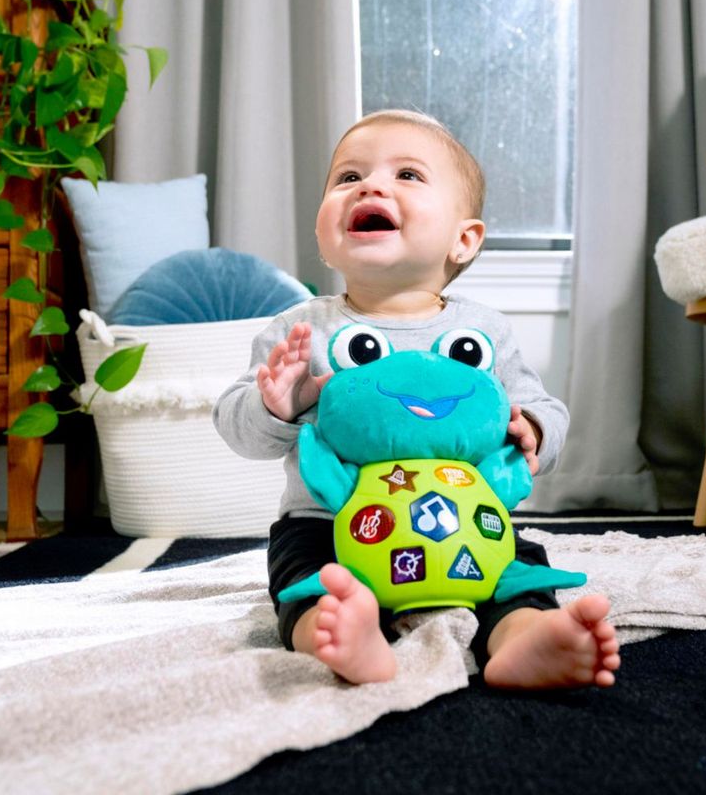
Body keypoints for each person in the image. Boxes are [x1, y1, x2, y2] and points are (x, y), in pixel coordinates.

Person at [213, 109, 620, 689]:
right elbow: (236, 430)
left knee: (519, 565)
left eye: (407, 174)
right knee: (305, 579)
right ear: (323, 235)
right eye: (348, 177)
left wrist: (531, 426)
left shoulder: (483, 333)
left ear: (463, 239)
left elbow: (545, 409)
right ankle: (343, 632)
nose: (371, 187)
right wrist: (276, 404)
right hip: (329, 526)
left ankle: (523, 637)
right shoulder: (300, 331)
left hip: (466, 525)